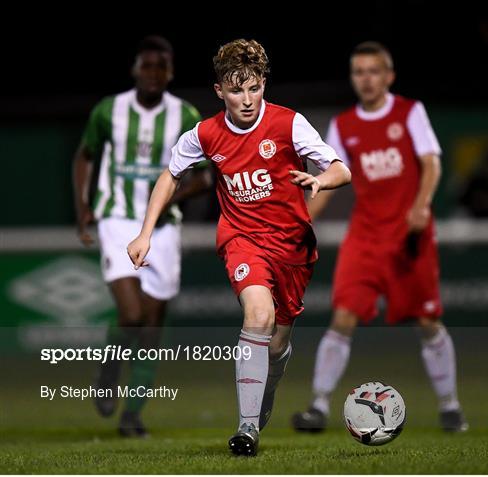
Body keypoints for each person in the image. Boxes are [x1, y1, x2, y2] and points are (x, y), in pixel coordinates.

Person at [127, 39, 351, 455]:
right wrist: (145, 232)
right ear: (219, 91)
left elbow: (341, 168)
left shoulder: (289, 124)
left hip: (292, 248)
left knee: (278, 345)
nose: (246, 100)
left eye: (253, 88)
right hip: (242, 240)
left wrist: (321, 180)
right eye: (235, 91)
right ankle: (246, 429)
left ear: (264, 83)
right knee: (258, 315)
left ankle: (265, 391)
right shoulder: (206, 133)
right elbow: (170, 176)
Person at [291, 41, 468, 433]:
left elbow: (431, 164)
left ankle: (450, 406)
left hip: (409, 236)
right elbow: (328, 182)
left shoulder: (410, 112)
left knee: (427, 320)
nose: (366, 79)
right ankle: (318, 406)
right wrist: (300, 223)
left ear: (388, 76)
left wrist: (421, 205)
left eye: (373, 72)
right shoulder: (344, 125)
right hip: (365, 238)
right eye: (358, 72)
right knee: (343, 316)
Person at [73, 35, 211, 437]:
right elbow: (85, 155)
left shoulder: (184, 115)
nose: (153, 74)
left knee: (151, 324)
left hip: (164, 227)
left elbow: (203, 176)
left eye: (161, 67)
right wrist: (83, 205)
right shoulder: (109, 110)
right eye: (147, 66)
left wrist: (168, 193)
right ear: (135, 69)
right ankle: (110, 367)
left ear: (170, 72)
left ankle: (132, 416)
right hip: (116, 218)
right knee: (131, 316)